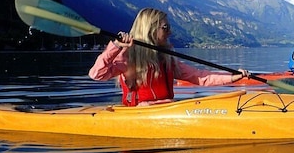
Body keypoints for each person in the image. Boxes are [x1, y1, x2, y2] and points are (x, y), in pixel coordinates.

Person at [89, 7, 249, 106]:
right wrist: (115, 46)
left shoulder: (167, 58)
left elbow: (200, 77)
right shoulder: (128, 57)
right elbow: (97, 74)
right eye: (165, 27)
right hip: (140, 115)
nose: (170, 32)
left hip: (168, 109)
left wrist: (232, 77)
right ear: (150, 29)